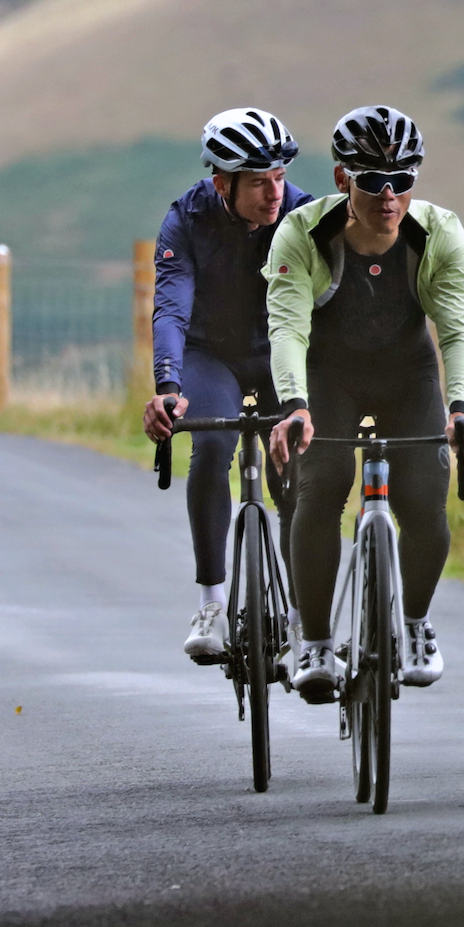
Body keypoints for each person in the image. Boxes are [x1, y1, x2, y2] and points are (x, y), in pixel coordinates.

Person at [265, 105, 464, 706]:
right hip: (327, 375)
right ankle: (314, 640)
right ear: (343, 180)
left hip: (407, 374)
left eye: (403, 178)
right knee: (323, 484)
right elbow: (288, 328)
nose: (389, 196)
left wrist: (463, 407)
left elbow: (457, 327)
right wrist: (293, 405)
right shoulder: (301, 232)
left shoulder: (439, 231)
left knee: (424, 496)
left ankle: (414, 622)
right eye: (372, 180)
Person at [143, 109, 309, 665]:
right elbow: (171, 306)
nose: (273, 192)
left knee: (297, 466)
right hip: (210, 355)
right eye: (259, 181)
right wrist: (168, 385)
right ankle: (212, 603)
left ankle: (304, 615)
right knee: (213, 445)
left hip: (279, 356)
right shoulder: (186, 219)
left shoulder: (302, 214)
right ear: (222, 184)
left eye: (280, 177)